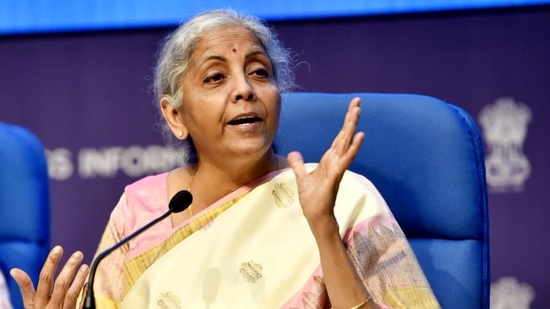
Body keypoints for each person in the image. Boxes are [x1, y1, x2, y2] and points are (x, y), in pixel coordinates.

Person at [10, 9, 440, 309]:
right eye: (216, 77)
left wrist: (324, 230)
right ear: (175, 115)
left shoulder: (344, 196)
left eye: (259, 72)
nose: (245, 89)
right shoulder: (140, 211)